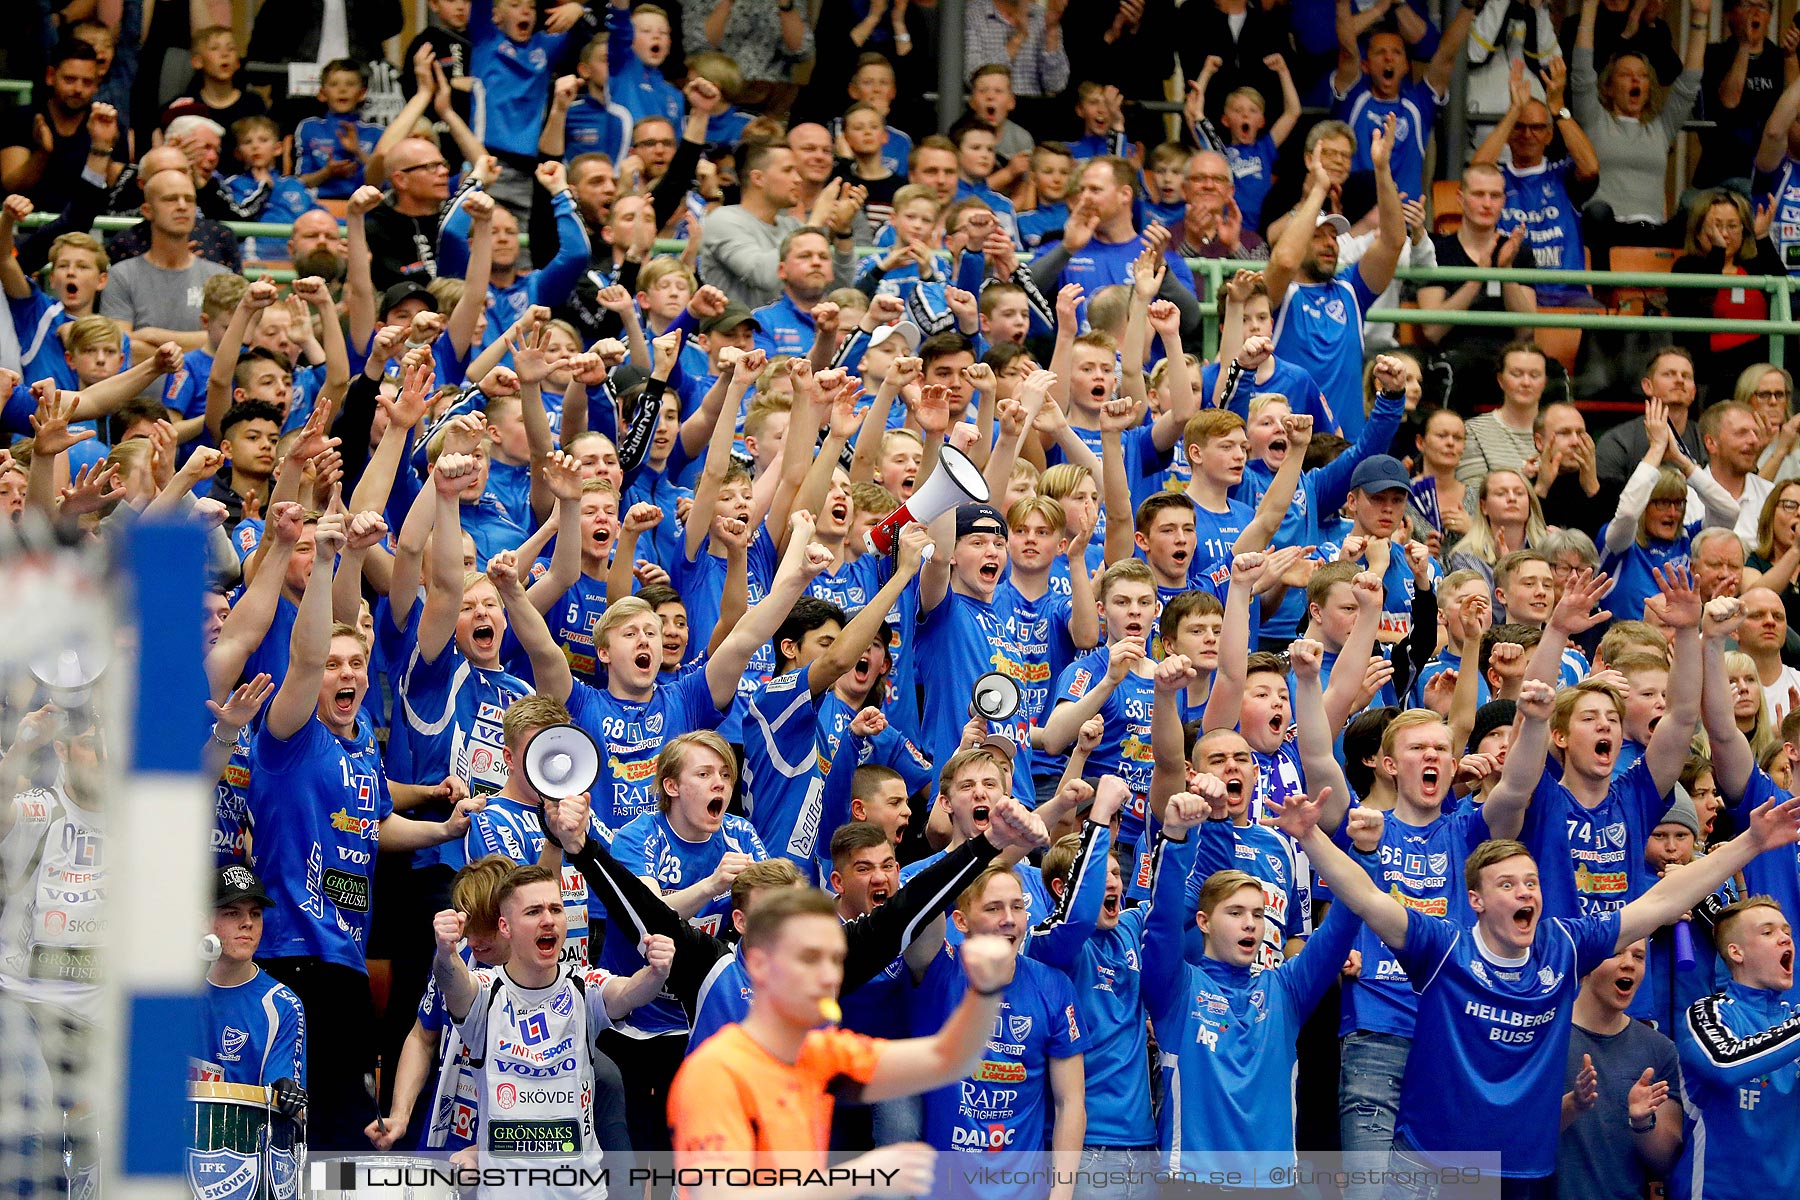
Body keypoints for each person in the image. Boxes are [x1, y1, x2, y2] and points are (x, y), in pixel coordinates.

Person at [1270, 769, 1800, 1197]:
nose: (1526, 892)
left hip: (1525, 1169)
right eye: (1507, 884)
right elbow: (1365, 897)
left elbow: (1660, 902)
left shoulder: (1563, 946)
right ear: (1475, 900)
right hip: (1433, 1168)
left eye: (1531, 882)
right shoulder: (1443, 948)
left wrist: (1750, 842)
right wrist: (1312, 837)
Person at [665, 885, 1022, 1183]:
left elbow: (947, 1058)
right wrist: (859, 1175)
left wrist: (985, 992)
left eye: (835, 959)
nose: (828, 976)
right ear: (759, 964)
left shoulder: (822, 1054)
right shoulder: (714, 1072)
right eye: (809, 958)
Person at [432, 864, 672, 1191]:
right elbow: (453, 984)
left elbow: (629, 992)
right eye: (533, 911)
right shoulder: (485, 993)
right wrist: (446, 953)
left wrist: (657, 972)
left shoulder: (584, 985)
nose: (548, 919)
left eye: (556, 909)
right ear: (505, 926)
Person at [1261, 116, 1405, 442]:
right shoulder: (1275, 293)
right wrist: (1318, 190)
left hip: (1344, 449)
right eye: (1318, 236)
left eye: (1333, 236)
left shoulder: (1350, 290)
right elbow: (1284, 259)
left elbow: (1394, 241)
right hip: (1288, 449)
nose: (1330, 243)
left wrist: (1382, 170)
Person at [1672, 894, 1800, 1200]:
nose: (1784, 939)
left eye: (1787, 932)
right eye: (1768, 932)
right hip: (1714, 1192)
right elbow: (1725, 1065)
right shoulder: (1707, 1013)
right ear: (1736, 952)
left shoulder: (1791, 1022)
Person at [1557, 940, 1684, 1200]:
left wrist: (1642, 1122)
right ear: (1587, 961)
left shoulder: (1659, 1049)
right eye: (1616, 953)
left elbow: (1667, 1161)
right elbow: (1508, 1138)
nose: (1628, 964)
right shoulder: (1542, 1035)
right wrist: (1573, 1104)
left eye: (1638, 956)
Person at [1473, 59, 1604, 309]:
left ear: (1549, 134)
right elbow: (1476, 175)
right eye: (1519, 127)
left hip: (1567, 293)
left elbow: (1591, 167)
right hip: (1509, 291)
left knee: (1595, 314)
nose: (1527, 134)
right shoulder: (1496, 177)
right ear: (1510, 133)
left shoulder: (1563, 175)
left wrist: (1558, 108)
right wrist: (1514, 111)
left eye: (1537, 127)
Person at [193, 866, 307, 1117]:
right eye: (232, 913)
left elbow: (286, 1107)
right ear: (204, 921)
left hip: (245, 1145)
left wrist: (286, 1092)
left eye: (255, 914)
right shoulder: (176, 991)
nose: (247, 923)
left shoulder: (283, 1005)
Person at [97, 168, 230, 350]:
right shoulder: (122, 276)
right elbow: (121, 347)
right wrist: (200, 343)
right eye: (170, 199)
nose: (182, 206)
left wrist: (150, 335)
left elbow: (229, 343)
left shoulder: (220, 278)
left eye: (189, 199)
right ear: (147, 210)